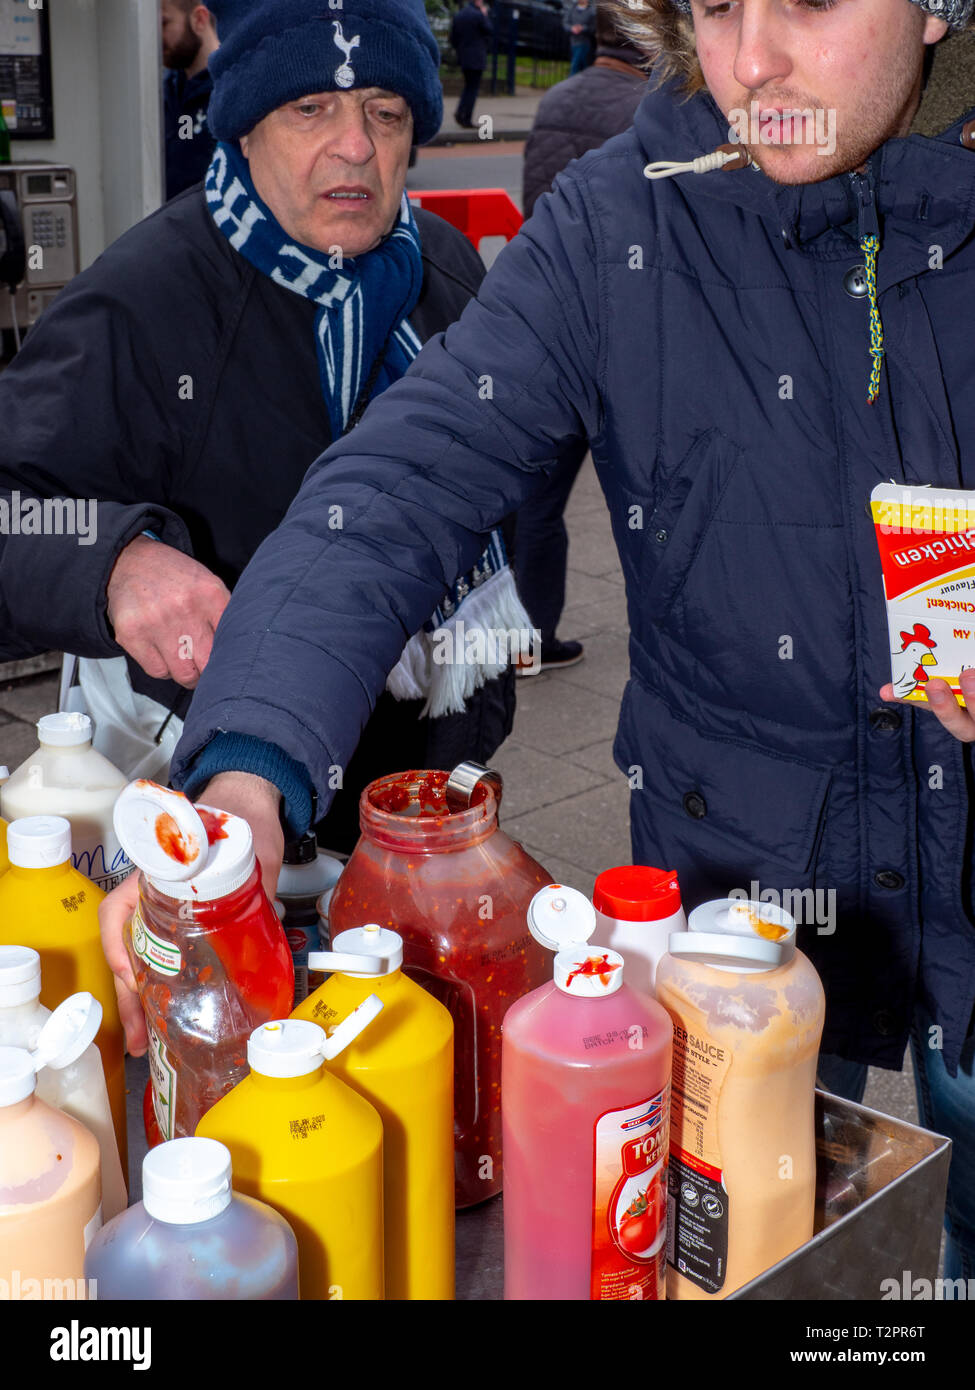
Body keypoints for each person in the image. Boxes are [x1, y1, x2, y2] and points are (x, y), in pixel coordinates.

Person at [103, 0, 975, 1281]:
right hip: (736, 901)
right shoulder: (622, 220)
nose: (752, 64)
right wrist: (242, 776)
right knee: (737, 1244)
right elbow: (395, 493)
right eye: (717, 7)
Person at [0, 0, 524, 852]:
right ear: (243, 130)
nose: (354, 145)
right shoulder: (140, 302)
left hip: (416, 788)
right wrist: (113, 563)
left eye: (384, 113)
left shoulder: (449, 271)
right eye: (308, 108)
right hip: (199, 789)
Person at [512, 0, 651, 674]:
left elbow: (534, 200)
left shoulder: (556, 97)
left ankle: (529, 635)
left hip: (552, 323)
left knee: (540, 498)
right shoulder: (650, 110)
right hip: (626, 332)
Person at [162, 0, 220, 201]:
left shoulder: (229, 87)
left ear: (199, 20)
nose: (157, 37)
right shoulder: (166, 88)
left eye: (164, 24)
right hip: (168, 223)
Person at [450, 0, 493, 129]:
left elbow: (453, 38)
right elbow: (490, 30)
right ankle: (465, 117)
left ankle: (460, 112)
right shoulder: (478, 15)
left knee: (468, 87)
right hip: (477, 57)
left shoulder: (459, 15)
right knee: (472, 89)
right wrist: (485, 15)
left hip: (464, 57)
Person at [563, 0, 597, 77]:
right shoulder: (572, 9)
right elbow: (566, 23)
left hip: (585, 42)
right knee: (581, 65)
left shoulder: (591, 11)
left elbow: (593, 27)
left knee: (576, 65)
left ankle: (571, 81)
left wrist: (582, 28)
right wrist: (572, 28)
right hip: (574, 41)